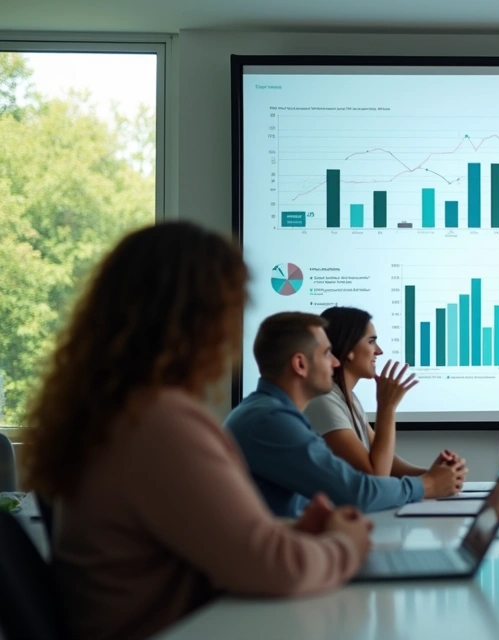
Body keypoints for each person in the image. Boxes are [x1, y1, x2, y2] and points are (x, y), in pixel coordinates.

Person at [20, 223, 373, 640]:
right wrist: (346, 545)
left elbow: (195, 542)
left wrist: (293, 531)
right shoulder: (161, 423)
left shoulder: (119, 412)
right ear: (202, 321)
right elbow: (276, 567)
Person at [227, 312, 466, 517]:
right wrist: (429, 484)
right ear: (300, 364)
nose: (335, 363)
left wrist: (434, 476)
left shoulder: (272, 413)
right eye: (327, 354)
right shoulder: (272, 420)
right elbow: (360, 490)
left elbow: (360, 480)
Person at [305, 306, 464, 479]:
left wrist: (434, 475)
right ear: (349, 349)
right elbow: (377, 475)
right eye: (371, 341)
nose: (379, 351)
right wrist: (387, 406)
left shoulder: (346, 398)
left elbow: (384, 460)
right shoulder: (323, 402)